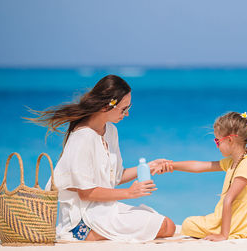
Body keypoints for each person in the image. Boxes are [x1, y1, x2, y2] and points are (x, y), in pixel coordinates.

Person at [26, 74, 175, 242]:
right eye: (123, 109)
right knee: (164, 226)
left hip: (106, 209)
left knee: (168, 225)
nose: (126, 114)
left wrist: (148, 167)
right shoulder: (82, 138)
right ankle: (84, 233)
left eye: (129, 107)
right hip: (83, 217)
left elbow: (115, 177)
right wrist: (129, 193)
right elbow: (86, 193)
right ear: (106, 106)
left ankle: (99, 233)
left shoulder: (111, 131)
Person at [155, 111, 247, 241]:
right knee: (190, 224)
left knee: (189, 224)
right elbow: (200, 166)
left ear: (230, 140)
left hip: (243, 222)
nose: (216, 146)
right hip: (234, 217)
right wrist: (172, 165)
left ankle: (225, 231)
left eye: (218, 141)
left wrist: (223, 235)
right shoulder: (232, 162)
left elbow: (228, 199)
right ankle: (222, 229)